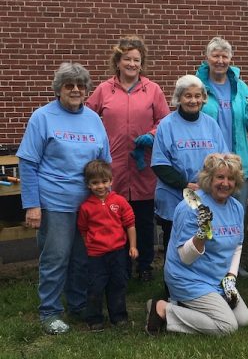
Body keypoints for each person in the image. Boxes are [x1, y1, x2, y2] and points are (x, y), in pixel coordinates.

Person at [16, 62, 111, 334]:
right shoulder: (42, 117)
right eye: (69, 85)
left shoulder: (94, 119)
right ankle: (50, 311)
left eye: (81, 85)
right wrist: (32, 205)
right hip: (55, 202)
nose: (75, 89)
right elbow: (28, 163)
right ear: (59, 89)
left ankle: (78, 305)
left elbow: (104, 161)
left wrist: (106, 199)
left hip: (89, 205)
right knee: (56, 258)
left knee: (82, 258)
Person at [86, 35, 170, 282]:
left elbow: (165, 121)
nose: (132, 64)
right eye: (127, 59)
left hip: (143, 166)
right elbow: (87, 117)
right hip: (114, 167)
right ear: (118, 61)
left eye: (137, 60)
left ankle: (144, 264)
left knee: (143, 220)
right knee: (115, 218)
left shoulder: (152, 89)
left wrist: (152, 135)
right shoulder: (104, 89)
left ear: (142, 63)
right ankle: (119, 264)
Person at [145, 153, 248, 336]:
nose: (225, 183)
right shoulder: (192, 206)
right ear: (209, 178)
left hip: (218, 279)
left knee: (243, 319)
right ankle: (163, 309)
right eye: (220, 177)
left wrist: (231, 277)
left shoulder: (236, 208)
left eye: (231, 178)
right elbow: (185, 258)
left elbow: (237, 245)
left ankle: (182, 305)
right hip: (188, 278)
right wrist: (201, 235)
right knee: (227, 326)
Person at [195, 37, 248, 276]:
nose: (220, 61)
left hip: (237, 162)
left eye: (224, 56)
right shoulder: (198, 85)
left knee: (236, 215)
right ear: (207, 58)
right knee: (207, 214)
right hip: (209, 164)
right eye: (215, 56)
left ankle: (235, 264)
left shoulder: (240, 86)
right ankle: (207, 260)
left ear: (230, 59)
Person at [151, 75, 229, 271]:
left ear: (203, 98)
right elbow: (160, 164)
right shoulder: (166, 125)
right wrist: (186, 185)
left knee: (203, 241)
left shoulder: (211, 124)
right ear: (178, 98)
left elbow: (223, 159)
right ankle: (173, 288)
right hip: (175, 196)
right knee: (176, 244)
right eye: (187, 96)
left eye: (197, 96)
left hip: (206, 195)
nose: (193, 100)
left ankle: (200, 286)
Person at [77, 160, 138, 331]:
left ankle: (118, 317)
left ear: (111, 181)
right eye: (95, 183)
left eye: (104, 181)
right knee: (95, 287)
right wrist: (88, 246)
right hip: (96, 256)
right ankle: (95, 319)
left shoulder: (119, 201)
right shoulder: (85, 207)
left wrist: (133, 246)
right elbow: (83, 229)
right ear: (88, 185)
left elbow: (130, 224)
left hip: (118, 252)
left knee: (118, 284)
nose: (100, 186)